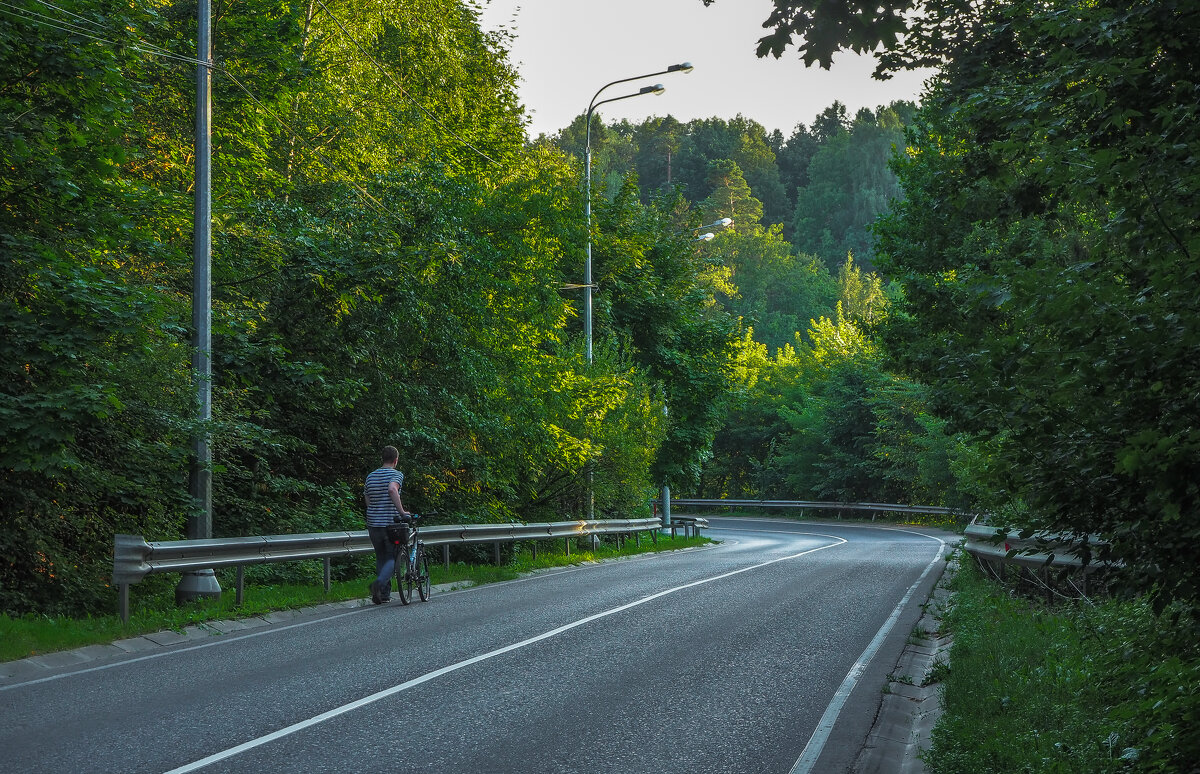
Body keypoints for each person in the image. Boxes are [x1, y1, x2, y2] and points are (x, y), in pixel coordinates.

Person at [364, 445, 410, 604]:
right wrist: (403, 512)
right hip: (390, 524)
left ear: (382, 459)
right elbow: (392, 490)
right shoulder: (396, 474)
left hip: (373, 524)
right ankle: (379, 584)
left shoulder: (371, 476)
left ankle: (384, 595)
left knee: (381, 557)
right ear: (396, 460)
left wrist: (375, 510)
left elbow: (368, 499)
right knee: (393, 557)